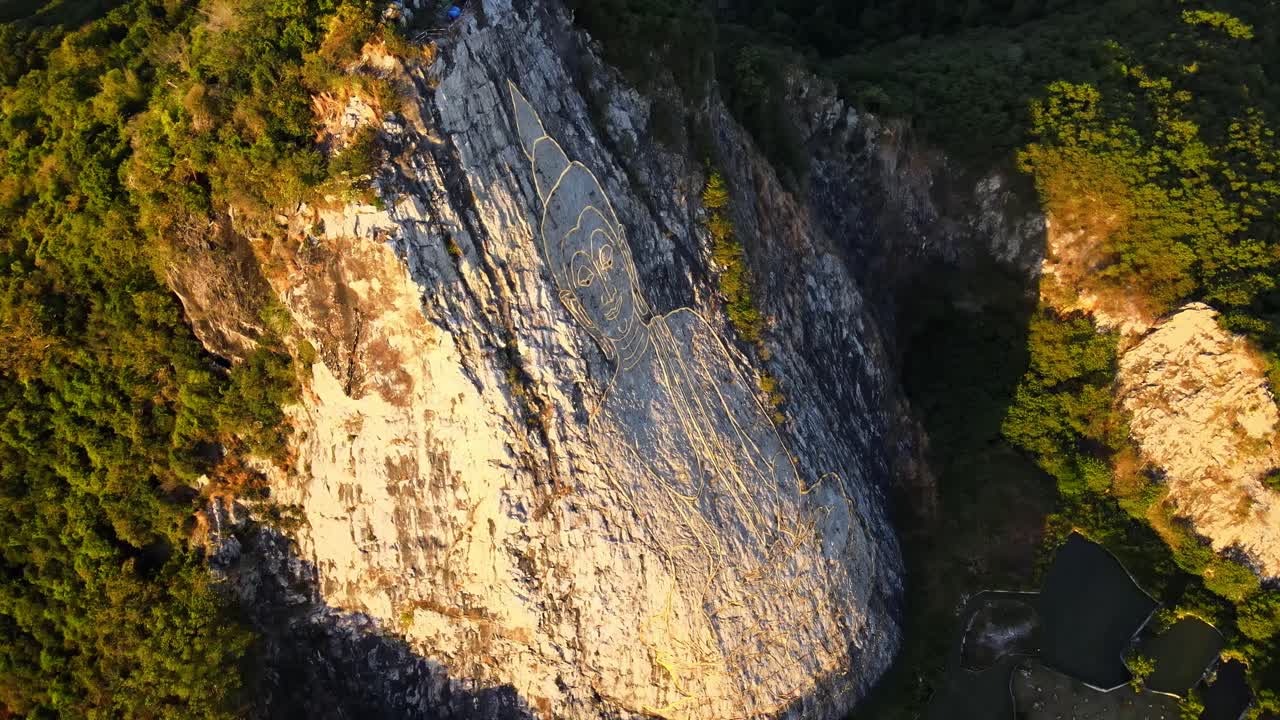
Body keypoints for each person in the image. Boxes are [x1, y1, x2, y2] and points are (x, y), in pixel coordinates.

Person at [508, 81, 864, 716]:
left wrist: (791, 513)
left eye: (605, 254)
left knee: (829, 522)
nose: (605, 281)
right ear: (570, 301)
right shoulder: (613, 417)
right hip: (732, 578)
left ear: (623, 249)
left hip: (784, 526)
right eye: (582, 276)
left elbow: (757, 437)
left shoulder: (687, 331)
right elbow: (685, 536)